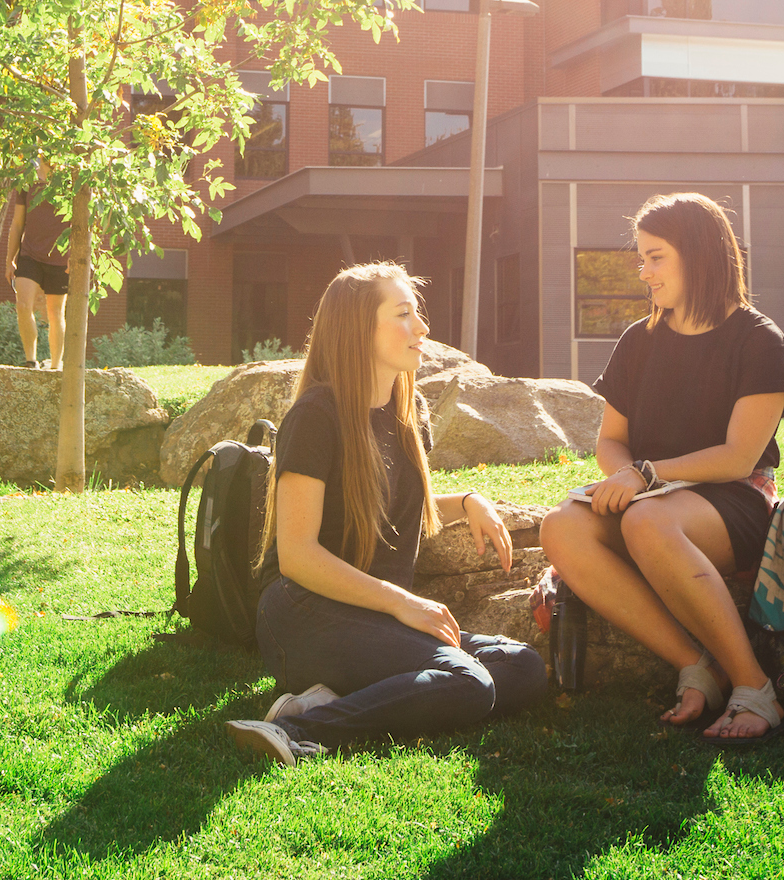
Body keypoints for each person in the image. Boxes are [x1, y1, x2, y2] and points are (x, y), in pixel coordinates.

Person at [228, 262, 548, 766]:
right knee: (471, 681)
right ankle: (296, 730)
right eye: (404, 314)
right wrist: (403, 604)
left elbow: (392, 506)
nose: (422, 328)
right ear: (358, 330)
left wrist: (466, 501)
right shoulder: (315, 416)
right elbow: (297, 555)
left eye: (416, 313)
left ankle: (336, 698)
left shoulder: (408, 411)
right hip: (304, 613)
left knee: (523, 667)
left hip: (375, 617)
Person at [538, 192, 784, 744]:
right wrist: (622, 477)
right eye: (642, 257)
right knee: (562, 523)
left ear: (698, 255)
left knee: (646, 521)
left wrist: (644, 477)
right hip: (650, 496)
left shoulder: (759, 341)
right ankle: (695, 665)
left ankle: (754, 687)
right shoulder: (640, 339)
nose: (644, 271)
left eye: (655, 257)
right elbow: (611, 440)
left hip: (732, 499)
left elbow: (738, 457)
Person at [7, 179, 69, 369]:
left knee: (55, 311)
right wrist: (9, 259)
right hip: (30, 255)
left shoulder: (70, 180)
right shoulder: (27, 181)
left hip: (61, 258)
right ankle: (30, 360)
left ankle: (55, 365)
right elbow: (17, 223)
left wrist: (76, 257)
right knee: (23, 305)